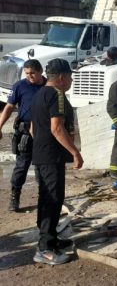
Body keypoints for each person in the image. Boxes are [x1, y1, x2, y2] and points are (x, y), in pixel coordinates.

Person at [31, 59, 83, 265]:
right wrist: (75, 152)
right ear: (61, 77)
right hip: (51, 156)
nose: (70, 80)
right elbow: (56, 128)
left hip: (42, 154)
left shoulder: (39, 94)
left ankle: (50, 239)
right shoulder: (57, 95)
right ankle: (44, 249)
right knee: (53, 199)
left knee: (48, 198)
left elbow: (33, 129)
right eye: (69, 76)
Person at [0, 59, 46, 212]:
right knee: (21, 166)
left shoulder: (49, 86)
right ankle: (15, 197)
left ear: (40, 71)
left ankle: (44, 198)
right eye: (27, 73)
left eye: (32, 73)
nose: (30, 76)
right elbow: (8, 108)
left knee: (42, 167)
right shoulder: (20, 86)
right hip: (24, 133)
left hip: (43, 133)